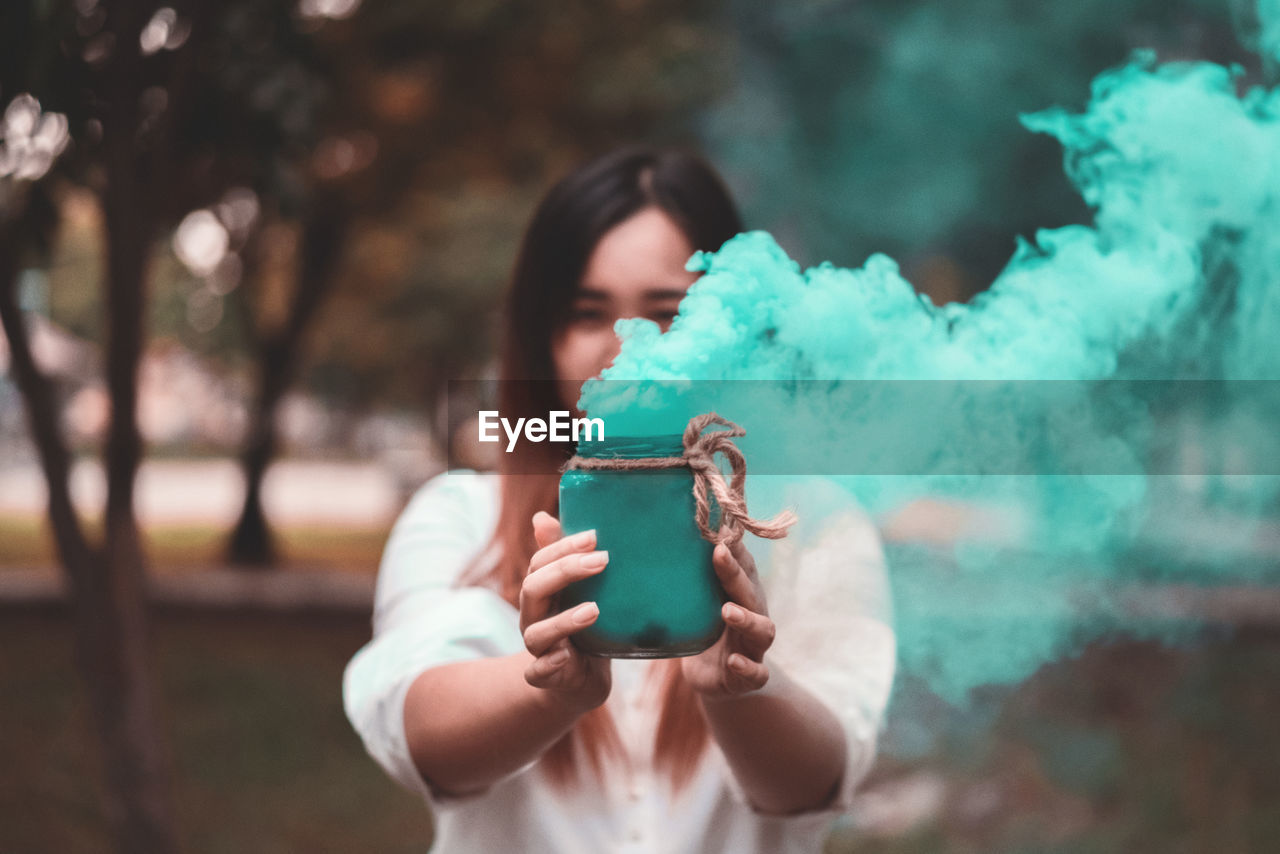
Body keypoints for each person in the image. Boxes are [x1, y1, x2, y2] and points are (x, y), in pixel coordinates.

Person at [343, 147, 896, 853]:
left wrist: (743, 693)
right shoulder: (458, 516)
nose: (624, 350)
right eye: (586, 312)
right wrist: (545, 689)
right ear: (541, 336)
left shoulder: (814, 527)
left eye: (667, 312)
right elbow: (420, 743)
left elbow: (819, 781)